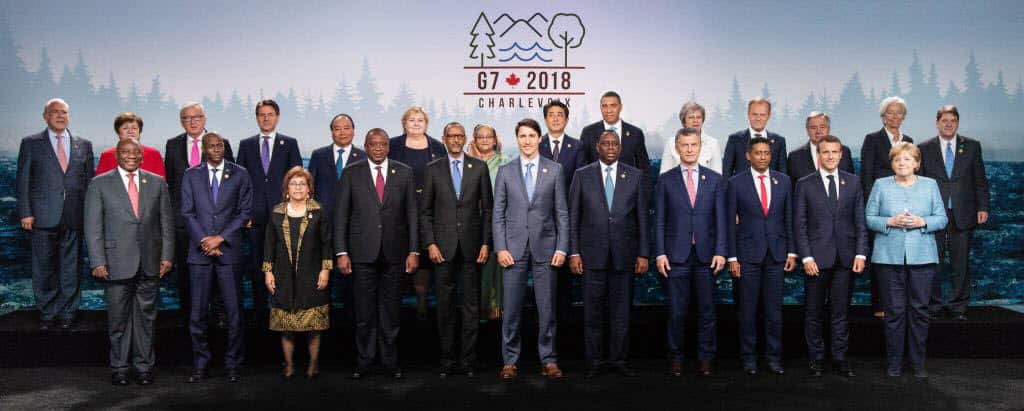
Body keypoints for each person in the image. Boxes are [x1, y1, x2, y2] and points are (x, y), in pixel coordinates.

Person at [84, 138, 173, 386]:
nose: (131, 156)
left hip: (150, 262)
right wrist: (97, 261)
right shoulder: (99, 184)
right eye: (126, 152)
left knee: (146, 320)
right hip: (114, 263)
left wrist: (166, 255)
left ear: (142, 155)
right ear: (117, 155)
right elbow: (93, 227)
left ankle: (144, 367)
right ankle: (120, 367)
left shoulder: (156, 183)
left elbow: (166, 223)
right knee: (118, 320)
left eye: (136, 152)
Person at [335, 128, 418, 380]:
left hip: (395, 253)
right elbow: (342, 215)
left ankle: (391, 361)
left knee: (391, 311)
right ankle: (366, 361)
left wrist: (414, 250)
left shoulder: (404, 172)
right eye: (373, 144)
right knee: (364, 312)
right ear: (366, 146)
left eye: (383, 144)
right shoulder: (351, 173)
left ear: (388, 146)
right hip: (361, 254)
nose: (379, 148)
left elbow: (412, 214)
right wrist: (341, 251)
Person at [493, 118, 569, 381]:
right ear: (517, 140)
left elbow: (562, 213)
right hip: (512, 251)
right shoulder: (505, 171)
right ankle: (510, 361)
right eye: (522, 136)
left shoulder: (555, 170)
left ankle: (548, 360)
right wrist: (500, 247)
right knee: (511, 310)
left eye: (531, 136)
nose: (526, 140)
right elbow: (498, 215)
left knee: (546, 310)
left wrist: (562, 247)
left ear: (539, 139)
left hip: (546, 249)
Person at [569, 130, 648, 378]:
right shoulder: (582, 175)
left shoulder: (635, 176)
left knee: (621, 313)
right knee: (592, 313)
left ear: (620, 147)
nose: (611, 147)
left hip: (625, 256)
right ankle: (594, 362)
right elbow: (573, 218)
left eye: (615, 143)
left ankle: (618, 360)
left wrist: (644, 254)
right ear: (597, 146)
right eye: (606, 143)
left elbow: (642, 219)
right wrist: (573, 252)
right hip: (591, 256)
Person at [865, 142, 947, 378]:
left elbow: (941, 219)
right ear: (892, 163)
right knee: (894, 312)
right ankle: (894, 364)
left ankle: (918, 363)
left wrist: (923, 222)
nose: (902, 164)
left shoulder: (930, 186)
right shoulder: (880, 185)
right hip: (889, 259)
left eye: (908, 160)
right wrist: (888, 222)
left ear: (917, 163)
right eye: (898, 160)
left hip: (922, 258)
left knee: (919, 311)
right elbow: (869, 218)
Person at [420, 122, 493, 378]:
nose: (456, 140)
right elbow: (425, 212)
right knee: (446, 306)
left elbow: (488, 210)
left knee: (471, 306)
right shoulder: (433, 169)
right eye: (451, 136)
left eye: (460, 136)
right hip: (442, 248)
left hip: (473, 247)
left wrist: (485, 242)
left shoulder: (479, 168)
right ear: (444, 139)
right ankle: (448, 360)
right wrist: (430, 243)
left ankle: (469, 360)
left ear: (465, 139)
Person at [16, 98, 95, 330]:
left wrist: (89, 216)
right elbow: (23, 181)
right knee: (44, 267)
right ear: (45, 116)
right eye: (55, 112)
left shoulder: (84, 144)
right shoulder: (31, 143)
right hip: (41, 216)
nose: (60, 116)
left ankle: (69, 312)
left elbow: (89, 183)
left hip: (74, 216)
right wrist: (25, 213)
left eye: (64, 112)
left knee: (72, 268)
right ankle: (48, 313)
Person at [793, 135, 867, 378]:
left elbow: (860, 223)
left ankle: (840, 358)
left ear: (841, 154)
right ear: (819, 155)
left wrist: (860, 253)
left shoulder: (853, 182)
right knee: (813, 313)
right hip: (816, 260)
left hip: (845, 259)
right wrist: (806, 257)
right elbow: (800, 225)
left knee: (840, 312)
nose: (831, 156)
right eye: (826, 152)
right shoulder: (805, 184)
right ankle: (816, 359)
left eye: (835, 152)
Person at [654, 128, 726, 378]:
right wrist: (660, 253)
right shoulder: (666, 179)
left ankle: (706, 358)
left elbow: (721, 220)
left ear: (700, 147)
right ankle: (676, 358)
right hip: (676, 257)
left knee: (707, 311)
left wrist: (721, 251)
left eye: (693, 144)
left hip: (707, 256)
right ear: (677, 147)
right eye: (684, 145)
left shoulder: (715, 179)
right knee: (677, 311)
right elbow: (660, 220)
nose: (689, 149)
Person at [180, 132, 252, 383]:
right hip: (199, 254)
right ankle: (201, 363)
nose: (217, 149)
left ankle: (233, 364)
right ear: (204, 149)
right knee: (198, 313)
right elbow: (187, 213)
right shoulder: (191, 175)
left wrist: (219, 238)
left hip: (229, 252)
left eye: (220, 145)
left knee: (234, 313)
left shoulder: (240, 173)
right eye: (211, 146)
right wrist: (205, 241)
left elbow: (244, 213)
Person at [726, 136, 797, 376]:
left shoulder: (784, 181)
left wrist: (791, 251)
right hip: (747, 256)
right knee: (747, 310)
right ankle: (749, 358)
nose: (763, 157)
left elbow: (789, 218)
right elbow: (729, 223)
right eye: (758, 153)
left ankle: (774, 358)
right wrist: (732, 258)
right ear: (748, 156)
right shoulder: (735, 183)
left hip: (777, 254)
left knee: (774, 310)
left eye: (767, 153)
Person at [918, 105, 989, 321]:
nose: (949, 124)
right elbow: (919, 184)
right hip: (933, 214)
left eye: (953, 120)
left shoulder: (972, 146)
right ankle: (933, 305)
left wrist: (982, 207)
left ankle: (958, 307)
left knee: (961, 263)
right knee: (933, 261)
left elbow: (980, 180)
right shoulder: (924, 147)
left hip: (964, 211)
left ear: (957, 123)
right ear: (937, 122)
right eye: (944, 120)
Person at [164, 102, 235, 319]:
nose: (192, 121)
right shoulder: (172, 144)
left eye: (197, 117)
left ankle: (218, 313)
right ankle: (189, 314)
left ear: (204, 119)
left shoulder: (221, 143)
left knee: (218, 268)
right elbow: (172, 182)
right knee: (187, 271)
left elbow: (231, 182)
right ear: (181, 121)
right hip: (184, 221)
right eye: (187, 117)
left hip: (215, 220)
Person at [262, 167, 332, 380]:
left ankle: (313, 364)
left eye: (302, 184)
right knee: (287, 327)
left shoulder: (318, 211)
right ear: (287, 188)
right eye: (294, 184)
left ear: (309, 188)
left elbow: (327, 243)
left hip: (311, 275)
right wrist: (268, 272)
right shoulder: (277, 212)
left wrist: (325, 270)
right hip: (283, 276)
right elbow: (269, 245)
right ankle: (289, 366)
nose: (298, 187)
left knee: (313, 327)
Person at [236, 99, 302, 326]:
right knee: (256, 264)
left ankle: (282, 308)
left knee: (283, 262)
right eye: (262, 114)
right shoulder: (246, 145)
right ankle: (258, 311)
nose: (266, 118)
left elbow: (296, 180)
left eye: (270, 114)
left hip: (282, 214)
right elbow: (240, 183)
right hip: (254, 217)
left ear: (277, 117)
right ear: (256, 118)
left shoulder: (289, 143)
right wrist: (243, 213)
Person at [389, 106, 446, 320]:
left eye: (420, 120)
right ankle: (397, 301)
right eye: (411, 120)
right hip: (397, 207)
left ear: (426, 124)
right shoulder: (393, 145)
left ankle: (422, 300)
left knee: (424, 251)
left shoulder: (437, 147)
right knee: (401, 249)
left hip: (430, 207)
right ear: (404, 123)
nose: (415, 123)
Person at [308, 113, 366, 322]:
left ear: (353, 130)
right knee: (323, 281)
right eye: (337, 128)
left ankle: (352, 324)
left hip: (355, 230)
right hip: (324, 229)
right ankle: (323, 326)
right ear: (331, 131)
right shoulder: (318, 155)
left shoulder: (364, 156)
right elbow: (310, 191)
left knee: (353, 283)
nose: (342, 132)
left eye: (346, 128)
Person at [860, 96, 912, 318]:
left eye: (898, 112)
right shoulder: (872, 140)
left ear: (904, 116)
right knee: (880, 257)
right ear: (882, 117)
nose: (894, 116)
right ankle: (880, 305)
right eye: (889, 112)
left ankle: (901, 304)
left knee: (903, 255)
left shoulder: (909, 140)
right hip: (881, 207)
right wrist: (873, 207)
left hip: (906, 205)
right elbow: (866, 176)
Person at [540, 100, 584, 327]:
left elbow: (579, 184)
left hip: (567, 217)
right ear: (545, 119)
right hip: (541, 220)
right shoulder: (537, 145)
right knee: (543, 278)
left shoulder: (577, 147)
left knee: (565, 281)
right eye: (551, 114)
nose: (556, 118)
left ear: (566, 120)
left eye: (560, 114)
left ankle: (565, 334)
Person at [467, 124, 510, 320]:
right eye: (480, 137)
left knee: (493, 268)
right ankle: (474, 311)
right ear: (474, 140)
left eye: (488, 136)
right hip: (470, 224)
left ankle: (494, 309)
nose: (484, 140)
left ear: (495, 139)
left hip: (496, 222)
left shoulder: (505, 161)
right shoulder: (467, 162)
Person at [579, 91, 649, 173]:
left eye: (613, 106)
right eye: (604, 106)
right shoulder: (588, 132)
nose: (609, 110)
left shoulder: (635, 133)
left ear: (620, 107)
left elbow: (644, 169)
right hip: (595, 185)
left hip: (627, 184)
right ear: (600, 108)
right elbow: (582, 167)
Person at [722, 97, 788, 177]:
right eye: (754, 114)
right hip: (741, 188)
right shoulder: (735, 139)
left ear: (769, 116)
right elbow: (726, 173)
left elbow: (783, 174)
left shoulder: (779, 141)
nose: (758, 118)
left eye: (762, 115)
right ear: (748, 114)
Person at [786, 112, 853, 183]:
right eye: (813, 128)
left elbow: (851, 183)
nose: (818, 131)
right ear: (807, 130)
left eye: (822, 127)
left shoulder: (845, 151)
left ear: (829, 129)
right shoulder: (795, 157)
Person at [659, 102, 722, 174]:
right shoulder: (671, 143)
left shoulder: (713, 143)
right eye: (691, 117)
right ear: (684, 121)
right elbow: (664, 175)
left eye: (699, 117)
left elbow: (717, 176)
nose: (695, 121)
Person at [95, 113, 166, 177]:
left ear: (139, 131)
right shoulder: (106, 155)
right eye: (125, 128)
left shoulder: (154, 154)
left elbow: (161, 186)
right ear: (118, 132)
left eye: (134, 128)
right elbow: (99, 185)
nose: (130, 131)